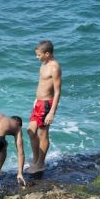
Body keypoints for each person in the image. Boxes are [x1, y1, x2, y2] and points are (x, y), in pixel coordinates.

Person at [26, 40, 62, 174]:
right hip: (39, 103)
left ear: (47, 54)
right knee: (30, 130)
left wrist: (52, 112)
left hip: (47, 104)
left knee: (42, 133)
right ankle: (36, 159)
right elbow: (41, 84)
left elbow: (57, 91)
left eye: (39, 54)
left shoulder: (54, 67)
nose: (37, 57)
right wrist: (36, 100)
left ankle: (40, 164)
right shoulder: (44, 63)